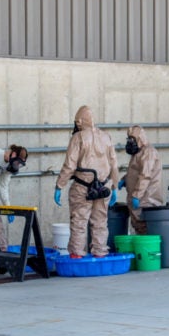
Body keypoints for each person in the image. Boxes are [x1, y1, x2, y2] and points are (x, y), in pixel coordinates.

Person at [54, 105, 119, 258]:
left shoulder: (78, 138)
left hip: (82, 187)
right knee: (100, 223)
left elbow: (70, 165)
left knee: (79, 222)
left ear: (79, 121)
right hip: (104, 187)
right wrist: (114, 186)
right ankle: (100, 254)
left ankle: (77, 255)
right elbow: (114, 164)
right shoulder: (106, 137)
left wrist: (59, 185)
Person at [118, 125, 164, 234]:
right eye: (128, 139)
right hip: (139, 199)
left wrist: (136, 196)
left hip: (146, 199)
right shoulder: (137, 153)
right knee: (138, 228)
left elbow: (145, 175)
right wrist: (125, 180)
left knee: (145, 229)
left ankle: (146, 251)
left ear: (140, 139)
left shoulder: (148, 152)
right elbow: (135, 172)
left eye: (132, 140)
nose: (130, 142)